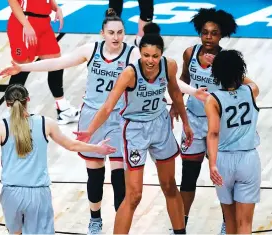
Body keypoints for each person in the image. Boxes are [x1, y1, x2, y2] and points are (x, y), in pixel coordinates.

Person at [0, 9, 140, 234]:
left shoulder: (133, 55)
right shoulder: (91, 50)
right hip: (92, 115)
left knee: (118, 176)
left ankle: (120, 225)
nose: (116, 37)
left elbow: (157, 76)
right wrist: (24, 67)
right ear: (102, 33)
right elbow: (57, 63)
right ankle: (95, 220)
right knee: (95, 172)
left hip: (119, 117)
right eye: (111, 32)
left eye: (120, 32)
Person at [0, 84, 117, 235]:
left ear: (7, 104)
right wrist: (97, 148)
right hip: (38, 194)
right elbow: (72, 145)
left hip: (11, 194)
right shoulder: (45, 123)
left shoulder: (1, 127)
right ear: (28, 99)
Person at [75, 23, 193, 234]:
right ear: (140, 54)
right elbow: (108, 106)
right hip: (135, 130)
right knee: (134, 195)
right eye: (146, 55)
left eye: (155, 56)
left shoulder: (170, 66)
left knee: (169, 186)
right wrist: (90, 131)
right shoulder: (129, 73)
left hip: (160, 126)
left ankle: (180, 232)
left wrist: (185, 122)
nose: (150, 60)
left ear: (161, 55)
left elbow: (175, 95)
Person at [170, 8, 237, 232]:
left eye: (214, 33)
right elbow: (183, 80)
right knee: (188, 176)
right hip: (194, 122)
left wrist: (217, 66)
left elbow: (233, 92)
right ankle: (182, 224)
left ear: (221, 35)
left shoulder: (227, 60)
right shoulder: (190, 53)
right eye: (205, 32)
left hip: (218, 124)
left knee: (223, 178)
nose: (209, 37)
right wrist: (175, 105)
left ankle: (228, 224)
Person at [205, 50, 260, 234]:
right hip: (248, 159)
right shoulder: (251, 91)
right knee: (245, 224)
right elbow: (250, 81)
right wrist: (234, 70)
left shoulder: (213, 99)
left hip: (223, 161)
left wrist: (212, 165)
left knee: (229, 222)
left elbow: (213, 133)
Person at [7, 0, 80, 125]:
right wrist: (26, 25)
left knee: (56, 63)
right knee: (21, 68)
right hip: (25, 22)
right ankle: (13, 114)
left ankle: (63, 110)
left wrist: (56, 7)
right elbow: (13, 2)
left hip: (44, 23)